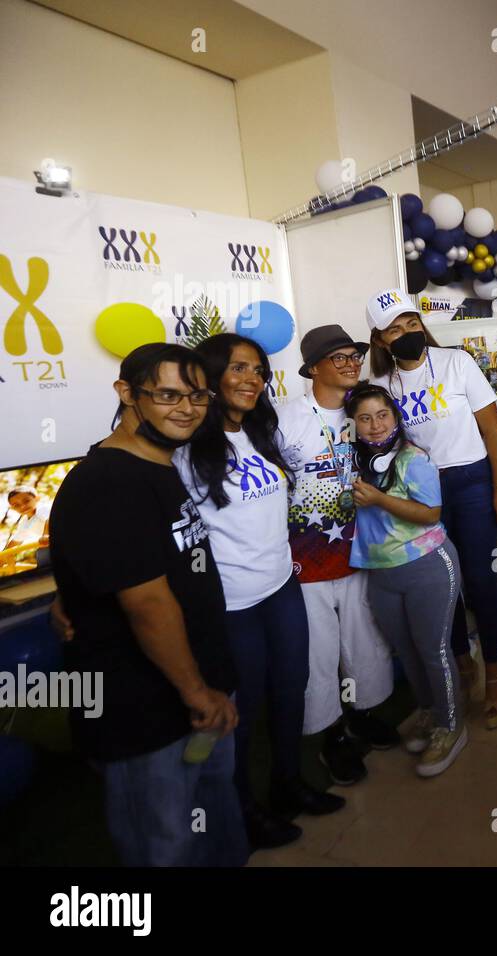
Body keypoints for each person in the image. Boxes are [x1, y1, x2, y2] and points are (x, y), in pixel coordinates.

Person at [48, 343, 245, 866]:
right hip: (147, 712)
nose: (187, 408)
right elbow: (149, 607)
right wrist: (197, 694)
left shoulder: (158, 465)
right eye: (167, 394)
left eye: (197, 395)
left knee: (208, 817)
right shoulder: (108, 482)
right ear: (126, 394)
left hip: (197, 697)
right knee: (166, 843)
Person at [177, 334, 344, 851]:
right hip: (233, 604)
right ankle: (242, 809)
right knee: (243, 707)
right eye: (238, 369)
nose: (252, 379)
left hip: (281, 585)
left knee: (290, 686)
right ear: (208, 376)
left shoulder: (260, 432)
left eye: (258, 370)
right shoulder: (185, 451)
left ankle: (288, 783)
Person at [366, 289, 497, 729]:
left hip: (471, 481)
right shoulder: (379, 388)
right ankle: (462, 663)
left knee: (482, 580)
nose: (408, 332)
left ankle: (496, 672)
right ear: (379, 340)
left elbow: (492, 430)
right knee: (439, 584)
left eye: (412, 323)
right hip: (422, 494)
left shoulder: (456, 363)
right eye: (396, 328)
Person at [277, 325, 399, 786]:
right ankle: (333, 737)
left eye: (354, 355)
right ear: (313, 368)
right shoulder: (284, 418)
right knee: (319, 653)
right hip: (304, 558)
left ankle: (363, 715)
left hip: (361, 550)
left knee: (365, 641)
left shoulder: (364, 411)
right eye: (339, 357)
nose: (351, 362)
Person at [345, 383, 467, 776]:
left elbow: (431, 513)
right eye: (365, 418)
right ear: (354, 425)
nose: (376, 425)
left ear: (396, 417)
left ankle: (451, 727)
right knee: (408, 650)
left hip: (427, 565)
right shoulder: (354, 462)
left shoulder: (413, 459)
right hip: (381, 573)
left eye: (383, 415)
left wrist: (380, 499)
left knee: (433, 649)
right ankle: (430, 714)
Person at [0, 485, 50, 571]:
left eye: (26, 501)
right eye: (16, 505)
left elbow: (48, 519)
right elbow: (15, 541)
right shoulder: (25, 523)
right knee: (42, 553)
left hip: (63, 535)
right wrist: (3, 557)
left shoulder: (42, 509)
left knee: (43, 552)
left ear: (37, 499)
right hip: (50, 542)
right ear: (12, 508)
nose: (22, 506)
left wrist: (46, 535)